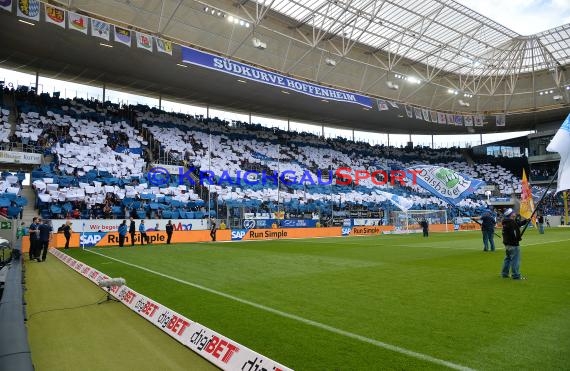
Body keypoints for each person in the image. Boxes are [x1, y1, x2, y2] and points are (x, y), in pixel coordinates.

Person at [501, 208, 528, 280]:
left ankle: (504, 273)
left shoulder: (507, 222)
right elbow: (514, 233)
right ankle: (516, 275)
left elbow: (517, 224)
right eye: (513, 212)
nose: (514, 213)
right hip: (513, 244)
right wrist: (518, 239)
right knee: (515, 260)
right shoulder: (511, 222)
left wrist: (526, 221)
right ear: (510, 214)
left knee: (508, 259)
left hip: (507, 244)